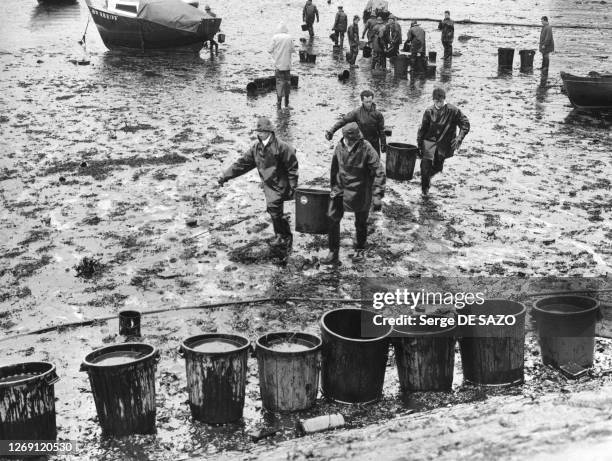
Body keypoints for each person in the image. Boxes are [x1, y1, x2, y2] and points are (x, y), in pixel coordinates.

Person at [218, 117, 298, 247]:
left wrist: (293, 185)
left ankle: (284, 237)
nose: (260, 133)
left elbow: (292, 167)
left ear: (269, 131)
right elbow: (242, 164)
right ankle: (283, 235)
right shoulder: (256, 148)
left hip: (280, 184)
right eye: (258, 131)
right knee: (274, 211)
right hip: (268, 184)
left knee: (274, 210)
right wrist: (225, 176)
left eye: (262, 131)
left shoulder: (282, 147)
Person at [321, 123, 385, 264]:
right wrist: (333, 188)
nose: (353, 142)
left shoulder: (366, 148)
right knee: (332, 218)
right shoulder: (339, 147)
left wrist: (377, 195)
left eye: (356, 139)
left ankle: (360, 250)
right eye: (351, 139)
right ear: (345, 137)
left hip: (361, 190)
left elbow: (379, 171)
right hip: (341, 188)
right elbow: (334, 168)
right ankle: (333, 253)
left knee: (361, 222)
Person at [416, 88, 470, 196]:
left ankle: (427, 178)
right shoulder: (429, 111)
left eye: (440, 101)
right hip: (429, 142)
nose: (439, 104)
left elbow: (465, 124)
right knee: (425, 167)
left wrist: (459, 137)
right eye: (436, 101)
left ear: (444, 99)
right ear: (433, 100)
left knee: (437, 167)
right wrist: (419, 145)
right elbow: (422, 130)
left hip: (443, 144)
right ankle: (424, 190)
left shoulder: (453, 111)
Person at [325, 89, 387, 154]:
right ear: (362, 101)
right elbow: (344, 120)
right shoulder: (356, 113)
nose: (369, 104)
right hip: (361, 144)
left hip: (374, 144)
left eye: (370, 101)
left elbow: (381, 131)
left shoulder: (378, 114)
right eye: (366, 102)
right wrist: (331, 131)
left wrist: (383, 144)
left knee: (374, 162)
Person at [270, 23, 294, 109]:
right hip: (287, 65)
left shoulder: (275, 37)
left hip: (278, 65)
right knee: (287, 83)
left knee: (279, 84)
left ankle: (279, 104)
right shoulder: (289, 37)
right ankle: (287, 104)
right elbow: (293, 50)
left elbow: (270, 50)